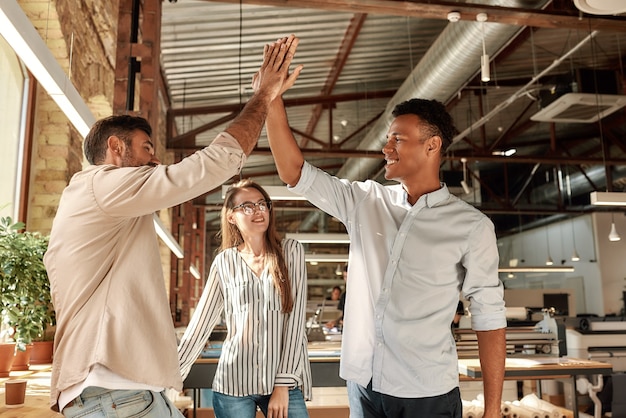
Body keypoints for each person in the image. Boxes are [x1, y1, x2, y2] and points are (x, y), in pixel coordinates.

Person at [43, 35, 301, 416]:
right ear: (116, 148)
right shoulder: (103, 185)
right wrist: (263, 96)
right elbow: (211, 165)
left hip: (112, 393)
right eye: (147, 147)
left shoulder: (91, 203)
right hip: (117, 394)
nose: (154, 159)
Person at [264, 86, 507, 417]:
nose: (386, 148)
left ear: (432, 145)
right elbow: (293, 172)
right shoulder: (366, 201)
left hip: (427, 392)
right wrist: (272, 98)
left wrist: (493, 410)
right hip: (364, 385)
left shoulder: (471, 226)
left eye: (398, 140)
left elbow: (489, 318)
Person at [178, 179, 311, 418]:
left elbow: (295, 324)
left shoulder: (291, 252)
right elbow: (201, 322)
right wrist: (175, 373)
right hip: (233, 382)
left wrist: (282, 385)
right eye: (247, 206)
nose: (258, 211)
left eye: (262, 204)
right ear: (231, 217)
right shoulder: (224, 262)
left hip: (281, 381)